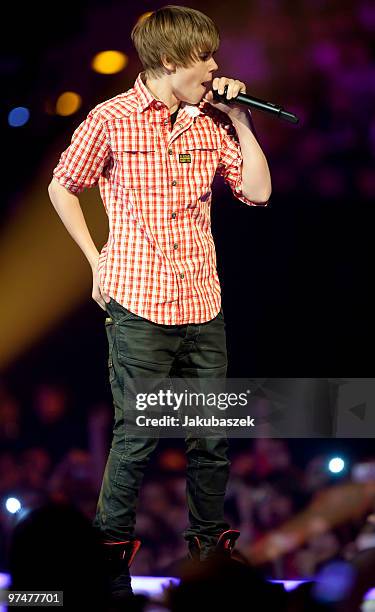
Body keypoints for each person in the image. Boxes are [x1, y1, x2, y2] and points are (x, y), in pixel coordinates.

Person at [48, 4, 272, 602]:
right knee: (138, 434)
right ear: (170, 62)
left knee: (210, 438)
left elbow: (257, 192)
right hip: (140, 299)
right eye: (205, 58)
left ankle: (209, 559)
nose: (215, 67)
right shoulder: (111, 119)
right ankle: (108, 568)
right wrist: (97, 262)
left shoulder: (208, 121)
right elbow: (62, 186)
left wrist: (240, 122)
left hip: (203, 300)